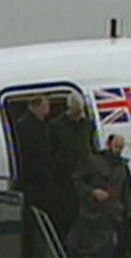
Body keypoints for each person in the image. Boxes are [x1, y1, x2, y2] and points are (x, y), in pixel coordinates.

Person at [67, 134, 131, 258]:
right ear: (108, 144)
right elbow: (77, 182)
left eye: (121, 147)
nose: (119, 150)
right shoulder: (93, 161)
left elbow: (125, 191)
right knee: (93, 248)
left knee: (107, 247)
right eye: (117, 146)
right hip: (93, 212)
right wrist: (93, 192)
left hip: (113, 213)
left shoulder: (122, 167)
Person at [48, 92, 96, 236]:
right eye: (76, 111)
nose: (78, 114)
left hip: (85, 177)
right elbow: (51, 150)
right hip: (64, 177)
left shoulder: (87, 125)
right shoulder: (55, 126)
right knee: (66, 213)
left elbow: (91, 148)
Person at [13, 95, 54, 211]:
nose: (48, 109)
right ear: (37, 107)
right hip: (35, 177)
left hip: (40, 175)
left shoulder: (40, 124)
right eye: (45, 106)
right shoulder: (26, 126)